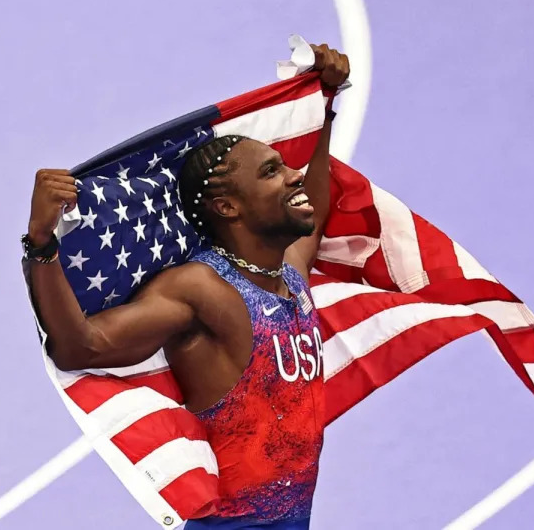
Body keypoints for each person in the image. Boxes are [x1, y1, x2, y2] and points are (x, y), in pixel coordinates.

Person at [23, 44, 350, 530]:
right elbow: (80, 347)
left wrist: (321, 108)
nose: (293, 174)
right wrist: (42, 240)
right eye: (271, 172)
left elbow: (315, 212)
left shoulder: (288, 274)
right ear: (227, 207)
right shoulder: (202, 289)